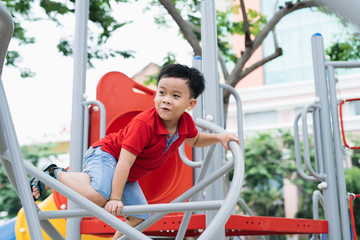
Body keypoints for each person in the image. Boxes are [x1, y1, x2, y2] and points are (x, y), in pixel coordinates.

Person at [30, 64, 240, 239]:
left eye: (176, 96)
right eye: (161, 92)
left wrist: (219, 138)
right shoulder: (145, 124)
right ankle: (54, 173)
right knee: (100, 196)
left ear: (190, 104)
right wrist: (115, 197)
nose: (166, 99)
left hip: (127, 174)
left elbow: (195, 140)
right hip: (106, 154)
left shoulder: (185, 123)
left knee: (141, 217)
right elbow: (124, 161)